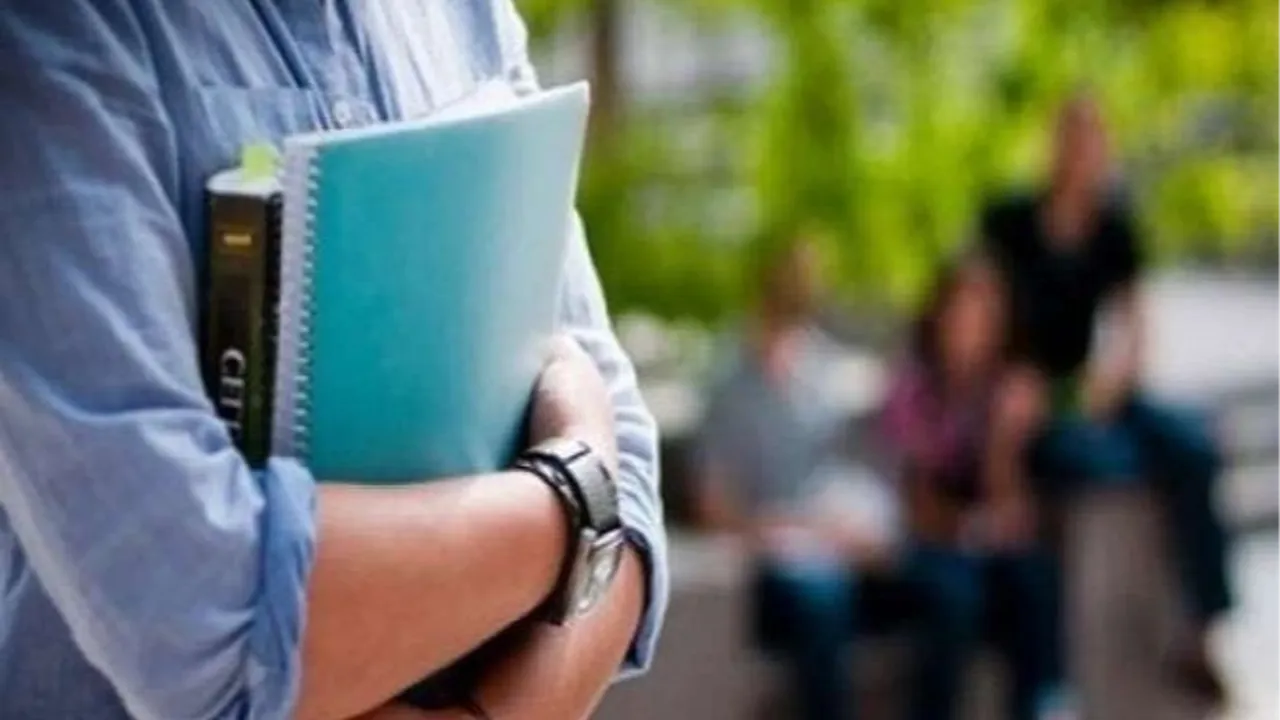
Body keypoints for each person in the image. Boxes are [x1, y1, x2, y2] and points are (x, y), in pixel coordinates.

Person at [0, 3, 668, 719]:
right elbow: (201, 617)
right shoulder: (46, 33)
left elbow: (629, 482)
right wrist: (574, 499)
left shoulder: (467, 13)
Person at [979, 93, 1231, 704]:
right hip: (1027, 396)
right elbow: (976, 312)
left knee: (1194, 445)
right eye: (1074, 142)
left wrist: (1109, 382)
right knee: (1099, 465)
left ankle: (1201, 625)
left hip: (1094, 391)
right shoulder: (1010, 222)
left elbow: (1135, 325)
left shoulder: (1115, 225)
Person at [694, 233, 886, 720]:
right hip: (765, 556)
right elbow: (712, 505)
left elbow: (849, 476)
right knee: (823, 599)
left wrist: (847, 527)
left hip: (830, 545)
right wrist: (773, 529)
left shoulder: (824, 375)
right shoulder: (730, 385)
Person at [880, 258, 1068, 720]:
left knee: (1031, 579)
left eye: (983, 317)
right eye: (960, 313)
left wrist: (1003, 439)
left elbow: (1014, 510)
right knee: (955, 596)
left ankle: (1044, 704)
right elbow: (913, 502)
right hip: (923, 541)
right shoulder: (912, 389)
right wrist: (972, 528)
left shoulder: (1009, 388)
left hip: (986, 544)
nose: (970, 329)